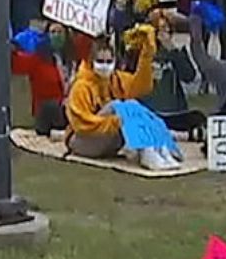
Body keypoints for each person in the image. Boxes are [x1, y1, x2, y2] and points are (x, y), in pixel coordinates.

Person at [64, 31, 181, 170]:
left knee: (134, 105)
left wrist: (147, 53)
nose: (105, 66)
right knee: (117, 106)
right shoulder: (81, 86)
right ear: (91, 62)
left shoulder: (116, 79)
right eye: (100, 61)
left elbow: (141, 87)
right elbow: (82, 124)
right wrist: (118, 121)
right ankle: (147, 153)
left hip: (108, 140)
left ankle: (157, 147)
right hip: (81, 141)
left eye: (109, 61)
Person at [12, 23, 74, 134]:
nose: (56, 35)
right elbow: (16, 64)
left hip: (71, 111)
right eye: (53, 32)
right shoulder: (38, 59)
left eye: (59, 32)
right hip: (47, 115)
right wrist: (12, 46)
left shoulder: (72, 59)